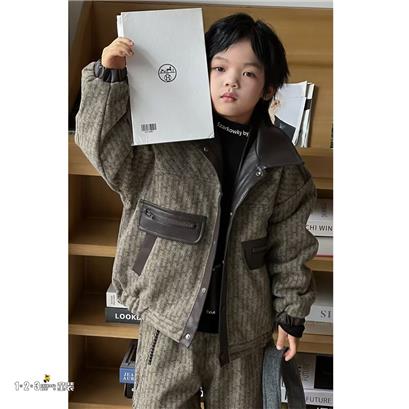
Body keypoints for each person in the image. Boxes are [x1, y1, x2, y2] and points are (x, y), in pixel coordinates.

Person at [75, 12, 318, 409]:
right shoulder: (164, 138)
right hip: (167, 319)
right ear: (199, 72)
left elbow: (290, 246)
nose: (231, 81)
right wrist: (108, 77)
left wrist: (291, 315)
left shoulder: (282, 166)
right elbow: (100, 145)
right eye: (219, 68)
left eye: (248, 73)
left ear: (269, 89)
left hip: (242, 333)